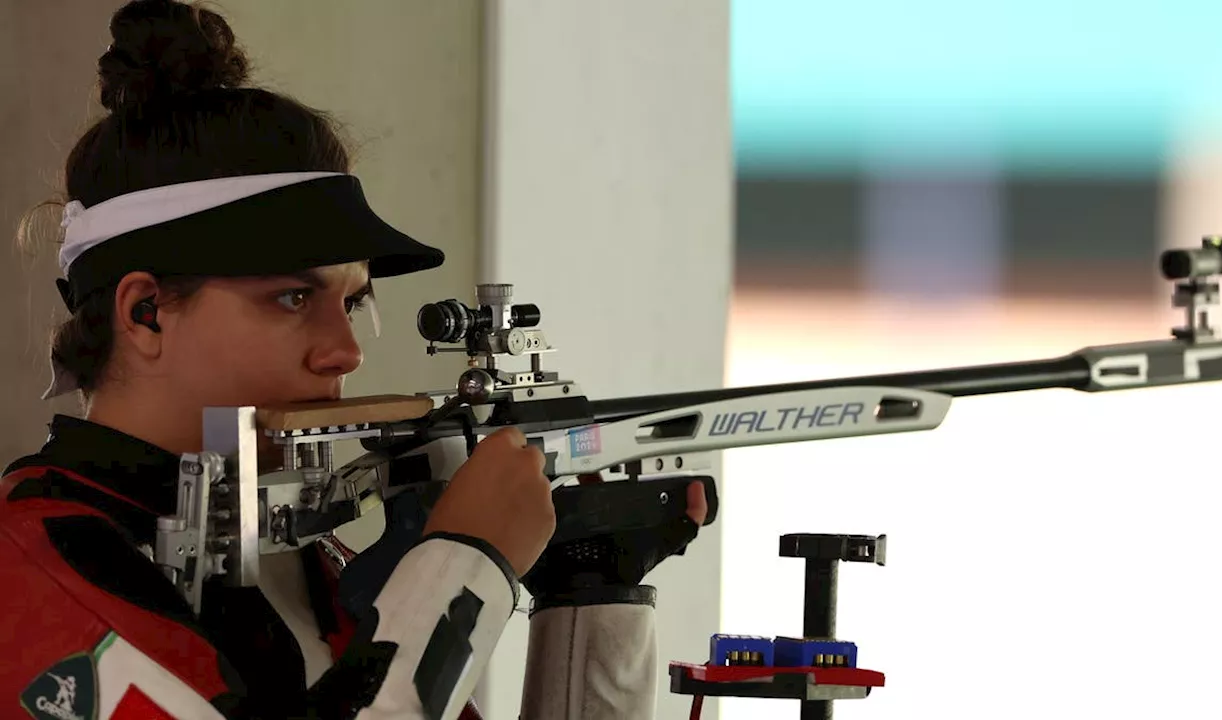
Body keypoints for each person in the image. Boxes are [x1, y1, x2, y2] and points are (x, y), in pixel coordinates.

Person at [0, 1, 707, 718]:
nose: (346, 351)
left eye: (353, 300)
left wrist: (594, 598)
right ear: (144, 311)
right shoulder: (27, 568)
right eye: (292, 298)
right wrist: (463, 562)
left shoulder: (306, 557)